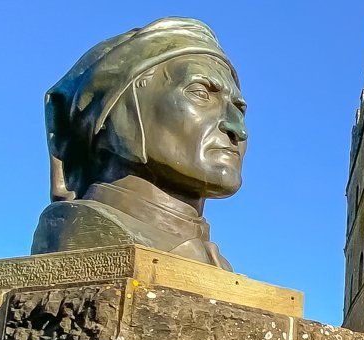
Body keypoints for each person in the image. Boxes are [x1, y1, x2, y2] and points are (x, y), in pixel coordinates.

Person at [34, 18, 248, 268]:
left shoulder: (214, 260)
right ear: (118, 111)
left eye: (239, 108)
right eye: (200, 93)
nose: (238, 128)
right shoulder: (81, 232)